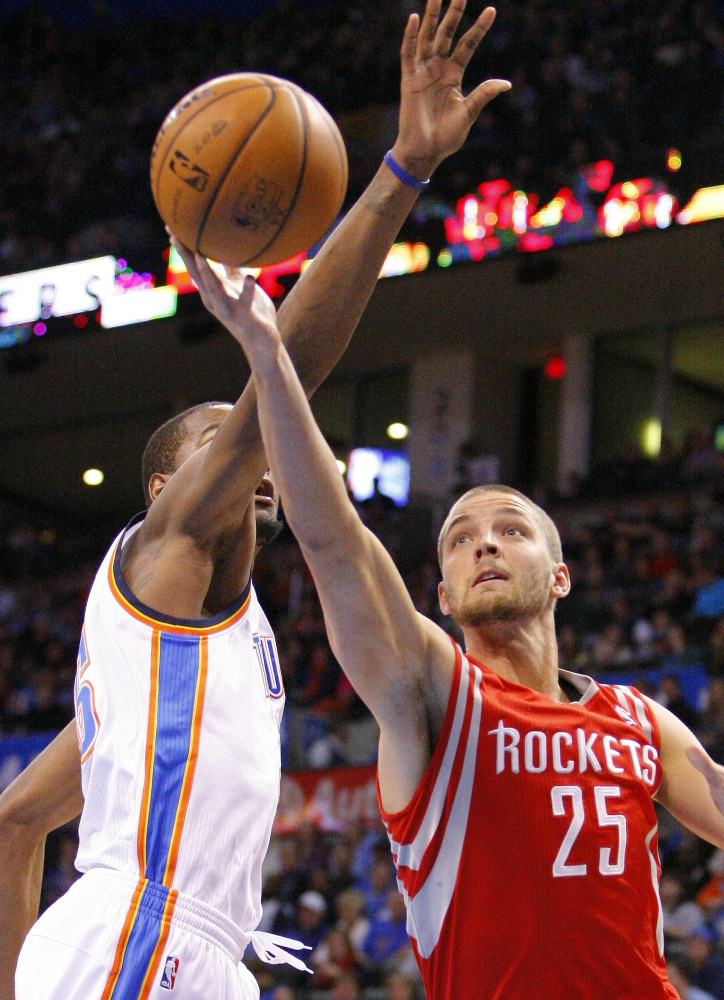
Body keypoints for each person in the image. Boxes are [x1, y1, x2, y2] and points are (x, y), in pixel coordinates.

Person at [179, 164, 724, 999]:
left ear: (558, 576)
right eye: (459, 539)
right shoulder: (430, 693)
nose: (484, 545)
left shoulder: (636, 720)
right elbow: (335, 544)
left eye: (511, 530)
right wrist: (271, 362)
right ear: (441, 595)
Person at [0, 3, 510, 998]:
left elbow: (20, 815)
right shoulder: (170, 543)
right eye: (225, 439)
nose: (260, 455)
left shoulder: (160, 671)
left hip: (200, 951)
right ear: (163, 485)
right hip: (139, 933)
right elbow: (298, 365)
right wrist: (401, 171)